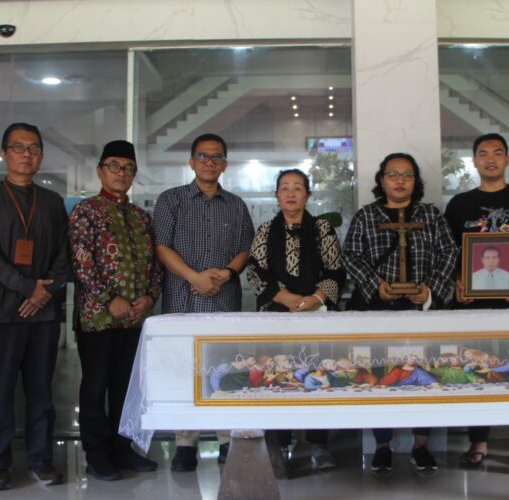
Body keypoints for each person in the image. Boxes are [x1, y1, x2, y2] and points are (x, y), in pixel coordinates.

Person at [342, 152, 458, 471]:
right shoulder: (366, 216)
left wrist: (430, 289)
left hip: (418, 310)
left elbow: (449, 252)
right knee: (380, 376)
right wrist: (375, 284)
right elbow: (350, 254)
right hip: (376, 310)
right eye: (392, 174)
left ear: (415, 181)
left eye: (407, 175)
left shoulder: (430, 216)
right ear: (382, 180)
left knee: (423, 376)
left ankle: (421, 445)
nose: (399, 180)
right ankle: (382, 445)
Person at [444, 133, 509, 466]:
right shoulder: (459, 204)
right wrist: (459, 281)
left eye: (497, 153)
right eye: (483, 154)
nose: (490, 159)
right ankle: (479, 442)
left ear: (507, 159)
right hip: (471, 305)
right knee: (477, 372)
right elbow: (447, 251)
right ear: (474, 161)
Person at [0, 123, 69, 490]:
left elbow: (64, 253)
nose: (27, 154)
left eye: (34, 148)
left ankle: (41, 460)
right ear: (4, 154)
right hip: (0, 311)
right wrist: (27, 288)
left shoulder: (52, 202)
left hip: (44, 313)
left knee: (41, 389)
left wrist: (45, 291)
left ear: (41, 156)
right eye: (18, 147)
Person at [154, 133, 254, 472]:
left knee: (224, 369)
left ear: (225, 164)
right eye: (202, 156)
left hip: (224, 298)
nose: (209, 162)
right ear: (191, 162)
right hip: (183, 298)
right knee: (184, 371)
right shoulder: (171, 200)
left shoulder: (236, 205)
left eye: (216, 157)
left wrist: (226, 274)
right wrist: (193, 277)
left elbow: (245, 248)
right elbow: (162, 246)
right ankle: (185, 443)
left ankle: (226, 439)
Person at [68, 140, 163, 480]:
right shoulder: (86, 212)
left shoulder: (141, 217)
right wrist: (109, 299)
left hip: (134, 319)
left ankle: (123, 449)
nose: (121, 173)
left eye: (128, 168)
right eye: (114, 166)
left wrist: (149, 298)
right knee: (95, 387)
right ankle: (97, 455)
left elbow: (155, 265)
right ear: (100, 171)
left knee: (126, 387)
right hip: (98, 318)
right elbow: (81, 262)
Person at [246, 168, 346, 470]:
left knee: (318, 376)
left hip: (316, 315)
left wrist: (315, 299)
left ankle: (319, 445)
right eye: (285, 188)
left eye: (298, 188)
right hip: (276, 315)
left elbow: (336, 270)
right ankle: (279, 444)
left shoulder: (322, 229)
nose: (291, 193)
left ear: (308, 195)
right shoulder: (265, 230)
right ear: (277, 195)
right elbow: (255, 271)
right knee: (278, 377)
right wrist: (286, 298)